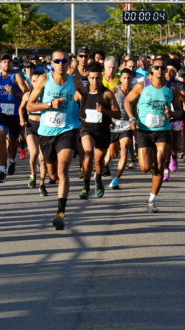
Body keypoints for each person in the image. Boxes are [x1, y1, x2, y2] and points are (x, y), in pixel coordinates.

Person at [27, 49, 86, 230]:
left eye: (64, 61)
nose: (61, 64)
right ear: (51, 63)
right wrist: (49, 105)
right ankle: (53, 181)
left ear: (68, 63)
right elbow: (30, 105)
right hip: (46, 132)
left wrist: (82, 109)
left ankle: (60, 213)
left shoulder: (74, 81)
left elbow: (85, 95)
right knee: (53, 174)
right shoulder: (45, 80)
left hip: (68, 129)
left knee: (64, 167)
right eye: (57, 61)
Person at [124, 58, 182, 212]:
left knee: (161, 162)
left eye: (163, 68)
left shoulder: (172, 88)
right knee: (144, 167)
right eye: (157, 68)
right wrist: (132, 118)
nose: (160, 71)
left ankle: (151, 199)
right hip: (144, 129)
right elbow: (127, 101)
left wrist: (172, 113)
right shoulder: (142, 86)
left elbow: (179, 110)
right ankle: (151, 170)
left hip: (163, 129)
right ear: (152, 69)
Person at [79, 64, 120, 199]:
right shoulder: (82, 93)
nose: (95, 81)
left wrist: (105, 111)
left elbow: (118, 114)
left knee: (98, 160)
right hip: (86, 129)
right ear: (88, 78)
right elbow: (71, 106)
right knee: (88, 153)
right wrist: (78, 114)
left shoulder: (107, 94)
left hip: (102, 131)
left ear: (101, 77)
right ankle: (85, 186)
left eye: (97, 78)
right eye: (92, 78)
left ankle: (98, 179)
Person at [0, 55, 29, 182]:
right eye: (4, 62)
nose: (6, 64)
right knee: (0, 137)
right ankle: (1, 170)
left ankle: (12, 160)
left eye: (9, 62)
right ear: (0, 64)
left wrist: (14, 94)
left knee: (12, 142)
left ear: (11, 64)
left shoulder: (16, 76)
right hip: (1, 113)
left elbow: (26, 92)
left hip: (15, 114)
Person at [19, 71, 48, 195]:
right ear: (31, 82)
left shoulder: (46, 95)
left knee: (43, 159)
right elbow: (21, 108)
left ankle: (42, 184)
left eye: (38, 80)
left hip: (44, 127)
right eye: (34, 81)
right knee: (34, 153)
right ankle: (32, 174)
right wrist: (21, 119)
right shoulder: (27, 95)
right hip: (31, 126)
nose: (36, 83)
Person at [107, 68, 134, 188]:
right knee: (111, 154)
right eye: (124, 78)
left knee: (125, 148)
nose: (127, 80)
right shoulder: (114, 91)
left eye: (129, 78)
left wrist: (135, 121)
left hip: (127, 124)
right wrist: (107, 120)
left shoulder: (135, 92)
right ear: (120, 79)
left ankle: (116, 178)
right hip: (114, 124)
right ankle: (100, 170)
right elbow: (105, 106)